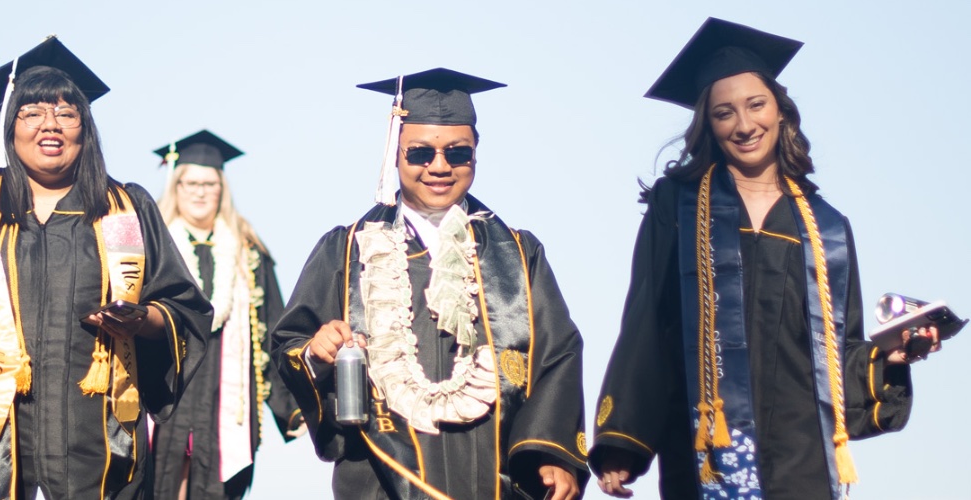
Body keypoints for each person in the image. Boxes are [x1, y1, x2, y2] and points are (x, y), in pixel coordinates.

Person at [589, 18, 943, 500]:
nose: (744, 124)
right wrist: (622, 444)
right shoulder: (679, 206)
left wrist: (894, 357)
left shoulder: (826, 228)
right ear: (708, 125)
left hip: (802, 457)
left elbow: (839, 353)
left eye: (756, 105)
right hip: (706, 449)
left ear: (780, 111)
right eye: (724, 113)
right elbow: (648, 322)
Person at [0, 36, 210, 500]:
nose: (50, 125)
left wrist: (142, 319)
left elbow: (182, 306)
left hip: (99, 440)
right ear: (9, 126)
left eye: (66, 113)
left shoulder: (125, 209)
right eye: (31, 112)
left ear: (86, 127)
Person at [269, 68, 589, 500]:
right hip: (381, 478)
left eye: (457, 154)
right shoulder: (346, 250)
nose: (439, 167)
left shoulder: (517, 253)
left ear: (477, 153)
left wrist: (554, 453)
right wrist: (315, 350)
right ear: (394, 155)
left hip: (492, 476)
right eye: (420, 153)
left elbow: (557, 354)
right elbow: (289, 342)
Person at [150, 130, 303, 499]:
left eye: (209, 183)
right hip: (166, 392)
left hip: (224, 398)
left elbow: (272, 330)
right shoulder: (154, 248)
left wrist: (292, 409)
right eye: (190, 183)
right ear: (176, 187)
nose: (200, 192)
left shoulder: (248, 253)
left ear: (222, 189)